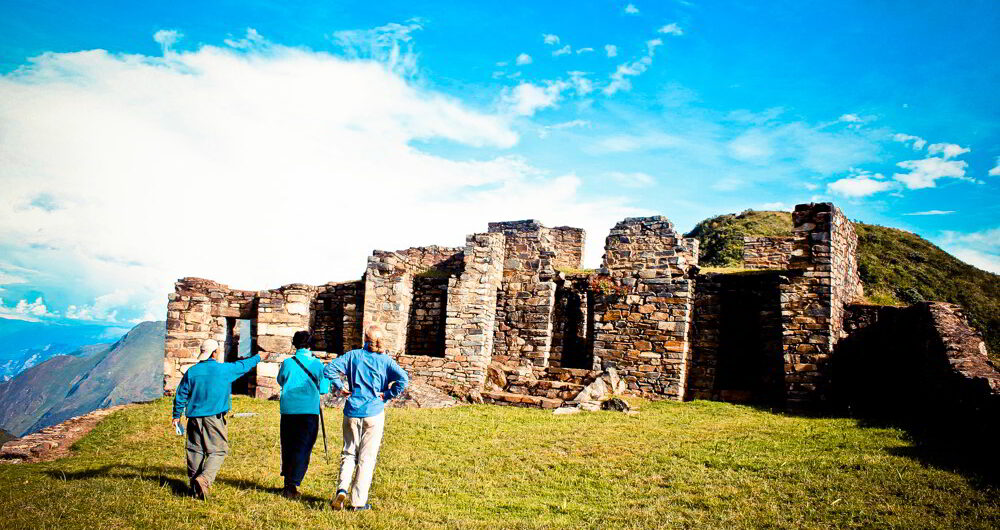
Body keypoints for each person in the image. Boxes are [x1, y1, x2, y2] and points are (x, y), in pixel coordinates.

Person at [323, 324, 409, 511]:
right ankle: (358, 502)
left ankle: (342, 489)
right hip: (374, 412)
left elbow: (329, 370)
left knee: (348, 452)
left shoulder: (353, 356)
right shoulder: (386, 361)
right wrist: (387, 394)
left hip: (352, 410)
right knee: (366, 458)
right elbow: (403, 379)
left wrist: (340, 386)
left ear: (364, 339)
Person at [171, 339, 266, 500]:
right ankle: (205, 479)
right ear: (214, 353)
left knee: (195, 451)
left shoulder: (192, 372)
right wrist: (259, 357)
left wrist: (176, 415)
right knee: (218, 450)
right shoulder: (223, 370)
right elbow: (242, 365)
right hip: (214, 418)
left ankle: (195, 488)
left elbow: (181, 394)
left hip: (193, 418)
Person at [275, 330, 330, 499]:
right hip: (308, 411)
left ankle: (288, 482)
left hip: (289, 410)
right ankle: (292, 484)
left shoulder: (287, 363)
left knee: (289, 445)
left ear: (294, 344)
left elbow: (280, 380)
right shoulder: (318, 365)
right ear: (310, 344)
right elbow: (324, 389)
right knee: (303, 447)